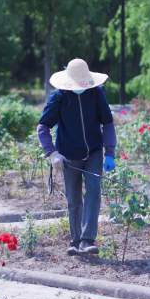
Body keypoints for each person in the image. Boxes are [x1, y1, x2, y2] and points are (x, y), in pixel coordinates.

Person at [37, 58, 117, 256]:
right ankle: (75, 240)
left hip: (94, 153)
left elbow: (107, 123)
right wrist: (52, 153)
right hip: (68, 156)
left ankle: (87, 240)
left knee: (93, 191)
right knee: (73, 198)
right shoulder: (60, 98)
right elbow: (43, 127)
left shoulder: (96, 94)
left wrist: (110, 153)